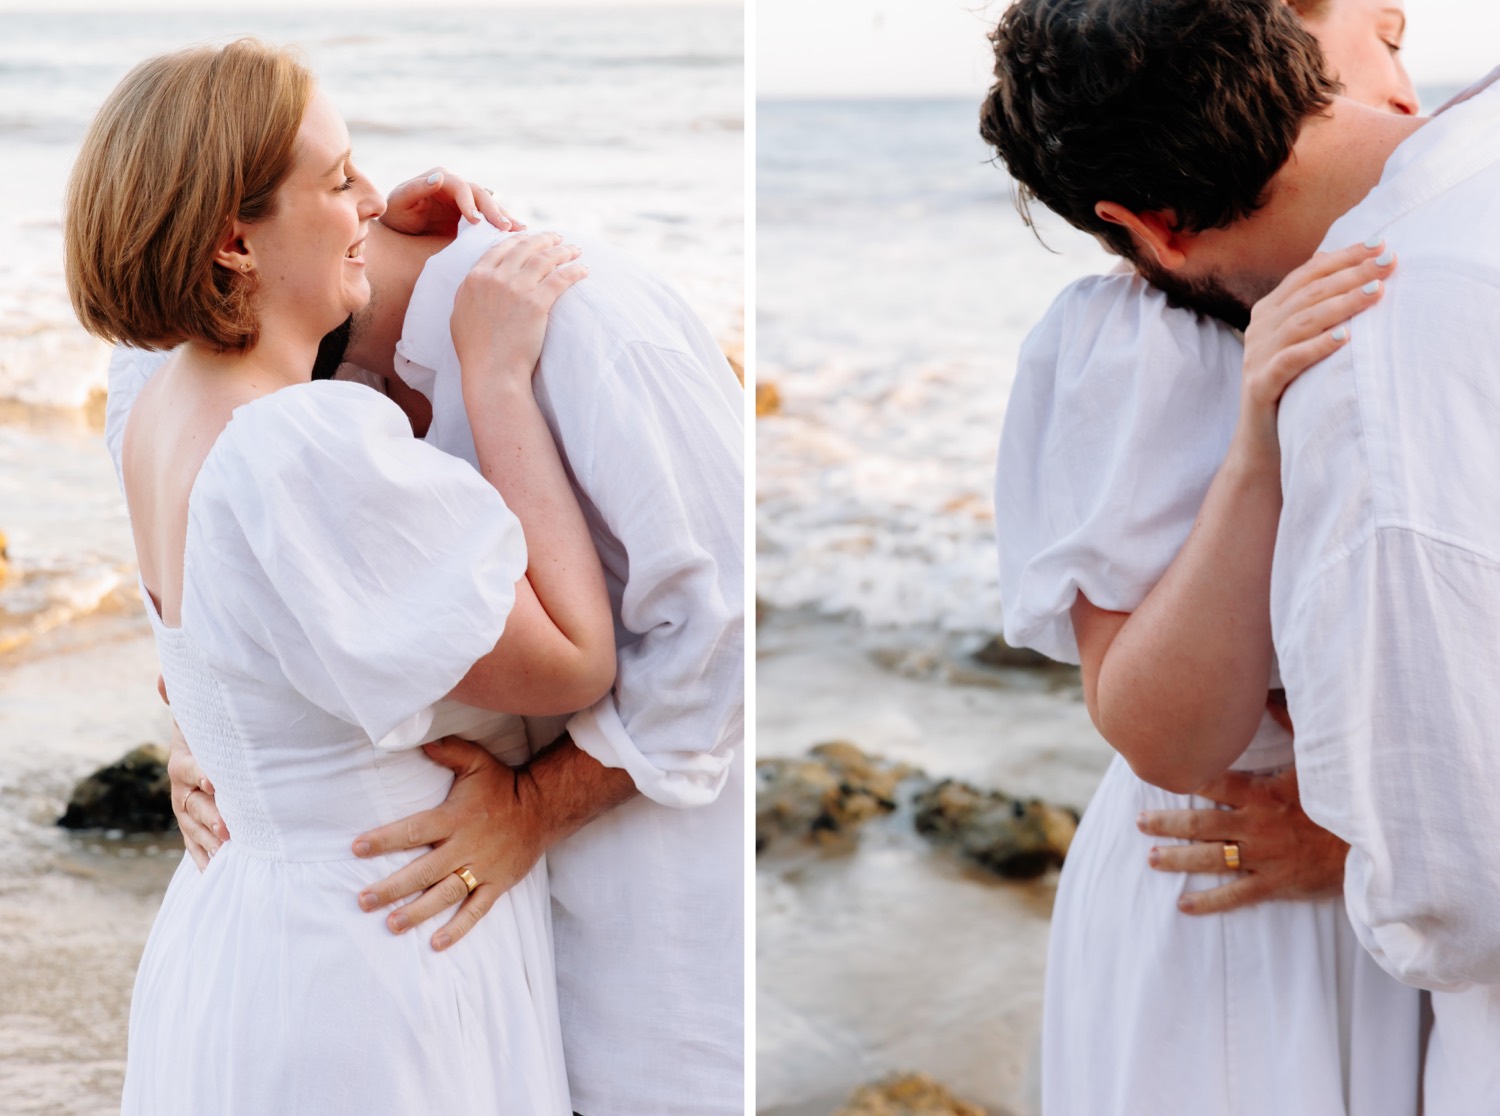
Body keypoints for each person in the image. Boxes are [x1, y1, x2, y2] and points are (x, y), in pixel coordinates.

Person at [105, 77, 747, 1116]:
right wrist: (493, 382)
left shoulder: (158, 392)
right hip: (381, 938)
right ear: (233, 239)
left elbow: (720, 632)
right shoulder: (304, 439)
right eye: (340, 176)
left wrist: (230, 742)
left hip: (258, 926)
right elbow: (575, 657)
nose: (379, 197)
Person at [984, 0, 1500, 1111]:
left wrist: (1363, 838)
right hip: (1230, 882)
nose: (1400, 54)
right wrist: (1254, 452)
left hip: (1391, 887)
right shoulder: (1132, 339)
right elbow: (1162, 735)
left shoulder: (1434, 262)